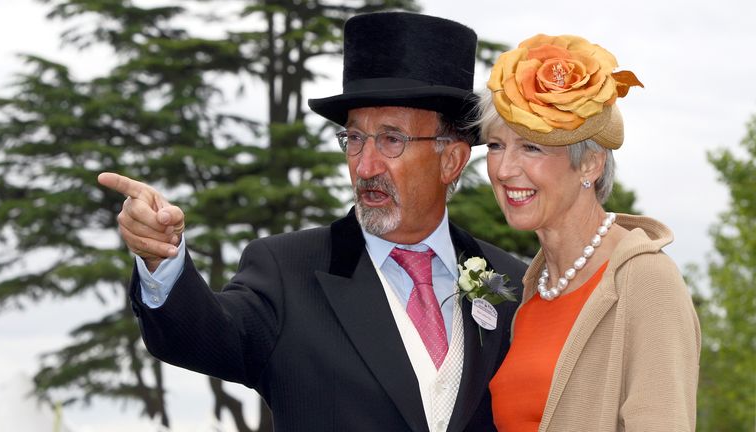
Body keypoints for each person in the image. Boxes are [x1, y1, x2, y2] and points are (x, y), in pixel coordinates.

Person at [98, 12, 527, 432]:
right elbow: (205, 335)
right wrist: (161, 260)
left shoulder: (513, 284)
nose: (365, 165)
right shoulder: (287, 270)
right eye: (354, 138)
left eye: (391, 139)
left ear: (450, 159)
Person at [475, 34, 701, 431]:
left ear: (590, 165)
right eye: (496, 145)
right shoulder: (533, 291)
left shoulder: (646, 281)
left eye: (531, 147)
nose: (504, 169)